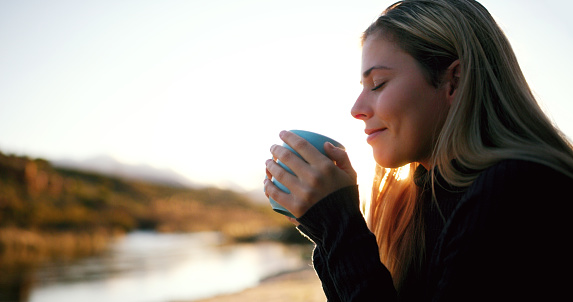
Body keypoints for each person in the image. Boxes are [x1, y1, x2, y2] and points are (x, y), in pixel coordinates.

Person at [263, 0, 573, 301]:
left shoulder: (516, 188)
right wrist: (324, 225)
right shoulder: (425, 197)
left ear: (454, 80)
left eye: (378, 83)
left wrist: (338, 224)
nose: (357, 108)